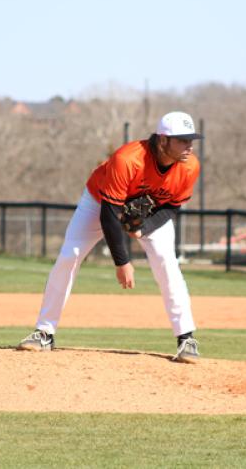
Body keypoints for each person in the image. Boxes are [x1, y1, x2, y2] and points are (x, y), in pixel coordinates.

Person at [17, 111, 203, 361]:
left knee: (166, 262)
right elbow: (109, 214)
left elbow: (172, 206)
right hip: (99, 202)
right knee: (69, 256)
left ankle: (186, 338)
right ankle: (44, 333)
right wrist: (122, 261)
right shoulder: (128, 159)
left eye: (191, 139)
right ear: (162, 140)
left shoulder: (189, 166)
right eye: (182, 140)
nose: (189, 146)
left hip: (152, 212)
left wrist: (143, 228)